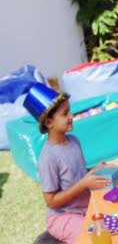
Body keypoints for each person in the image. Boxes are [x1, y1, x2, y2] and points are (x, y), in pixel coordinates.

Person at [23, 83, 111, 244]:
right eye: (65, 114)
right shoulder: (48, 158)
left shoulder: (73, 141)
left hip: (84, 209)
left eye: (69, 111)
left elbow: (77, 174)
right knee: (95, 239)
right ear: (49, 123)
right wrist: (84, 184)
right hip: (62, 217)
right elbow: (51, 201)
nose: (71, 116)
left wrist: (96, 170)